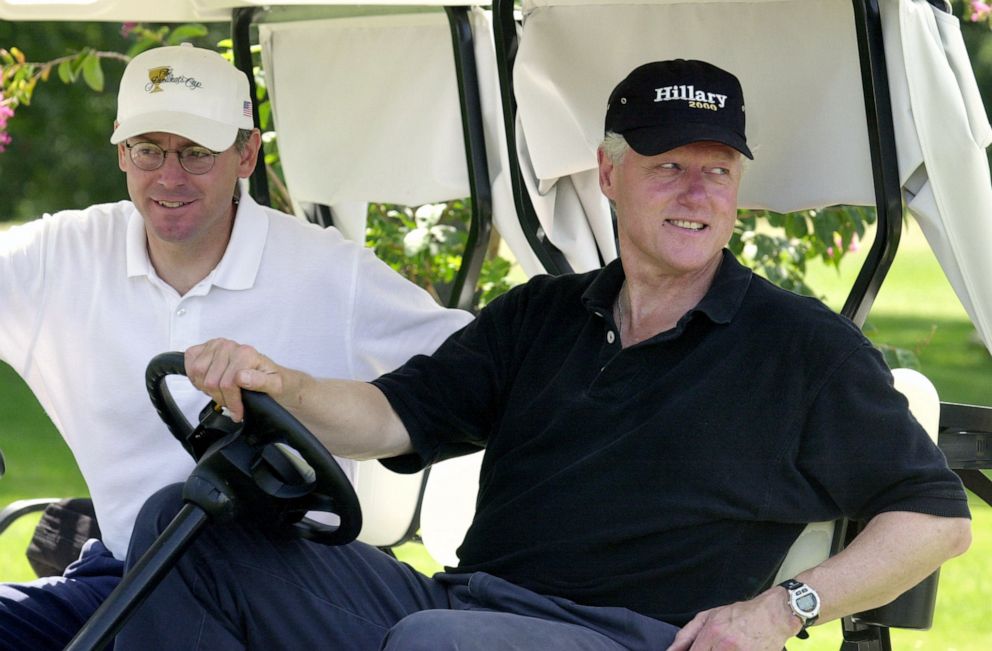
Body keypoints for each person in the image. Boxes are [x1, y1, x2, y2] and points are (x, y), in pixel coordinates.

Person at [116, 59, 971, 651]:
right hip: (465, 604)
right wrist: (285, 386)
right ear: (608, 172)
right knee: (180, 529)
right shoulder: (544, 316)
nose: (696, 192)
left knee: (433, 643)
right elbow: (387, 418)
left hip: (632, 634)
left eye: (716, 169)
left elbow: (937, 517)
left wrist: (783, 610)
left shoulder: (803, 347)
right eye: (667, 165)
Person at [0, 43, 471, 650]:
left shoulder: (330, 273)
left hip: (275, 591)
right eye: (150, 150)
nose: (169, 176)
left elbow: (477, 366)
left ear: (246, 154)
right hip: (121, 572)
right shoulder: (61, 255)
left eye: (196, 152)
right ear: (121, 152)